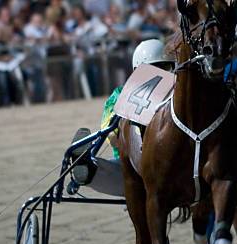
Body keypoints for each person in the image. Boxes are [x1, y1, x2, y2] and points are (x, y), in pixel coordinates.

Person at [70, 39, 175, 187]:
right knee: (101, 170)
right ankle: (84, 165)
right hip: (131, 168)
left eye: (164, 67)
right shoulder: (120, 94)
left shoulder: (178, 95)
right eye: (152, 68)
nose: (157, 74)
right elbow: (113, 137)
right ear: (137, 71)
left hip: (173, 165)